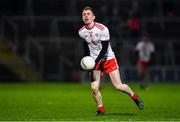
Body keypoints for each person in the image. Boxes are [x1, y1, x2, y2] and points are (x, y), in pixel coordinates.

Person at [78, 6, 144, 115]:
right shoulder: (81, 32)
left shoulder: (103, 29)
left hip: (108, 59)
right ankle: (101, 109)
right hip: (95, 61)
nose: (86, 16)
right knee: (94, 88)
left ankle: (134, 96)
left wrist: (95, 62)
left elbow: (104, 48)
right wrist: (85, 60)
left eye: (88, 14)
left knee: (118, 86)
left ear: (93, 17)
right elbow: (85, 45)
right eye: (84, 14)